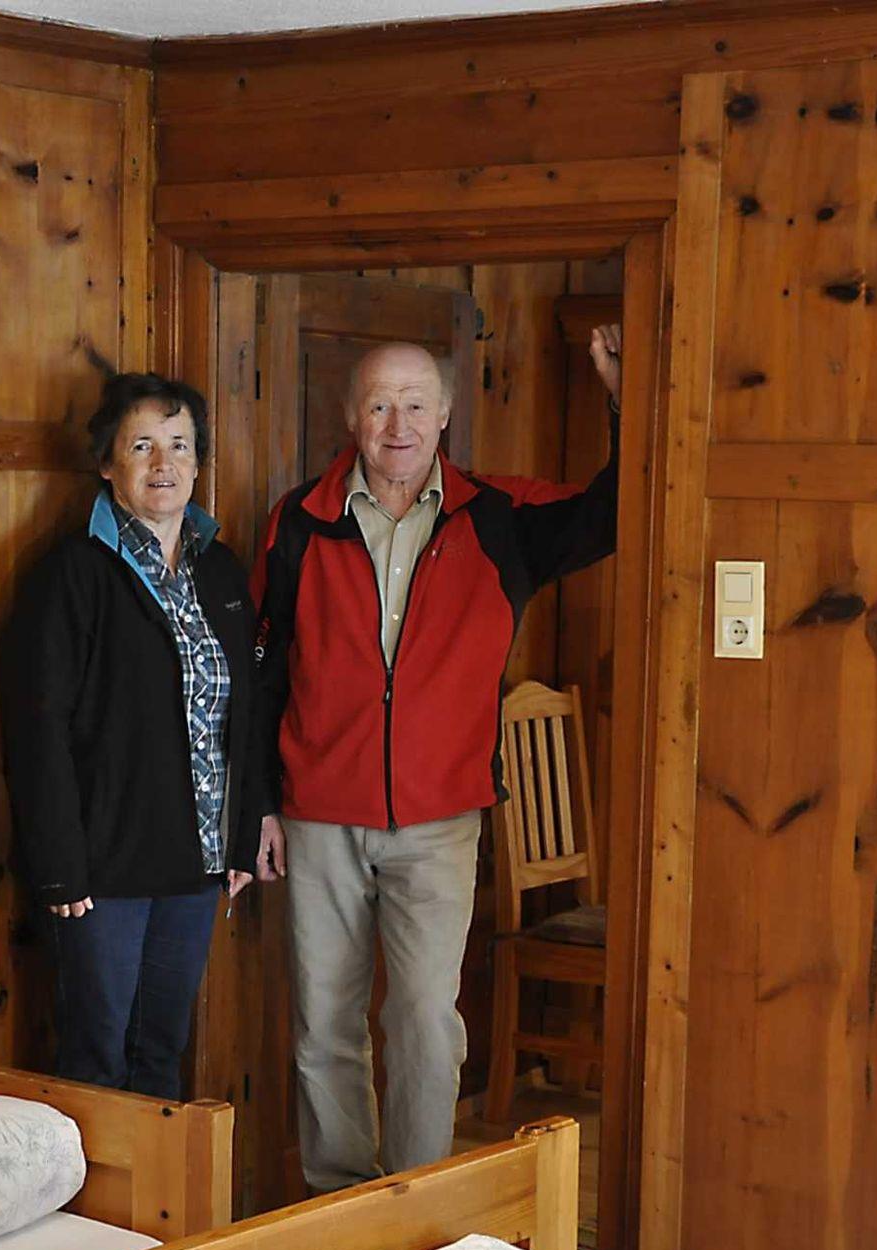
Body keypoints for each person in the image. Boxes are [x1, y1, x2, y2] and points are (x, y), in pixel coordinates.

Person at [251, 327, 624, 1190]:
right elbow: (264, 673)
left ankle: (418, 1209)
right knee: (324, 1023)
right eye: (380, 405)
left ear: (446, 413)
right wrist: (259, 804)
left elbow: (612, 513)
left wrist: (619, 397)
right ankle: (339, 1201)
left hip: (440, 817)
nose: (399, 425)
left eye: (416, 404)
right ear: (351, 415)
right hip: (320, 814)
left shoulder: (499, 517)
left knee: (424, 1019)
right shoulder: (297, 521)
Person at [0, 373, 260, 1099]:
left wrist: (241, 836)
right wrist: (59, 864)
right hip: (103, 870)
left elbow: (246, 710)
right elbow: (37, 729)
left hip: (197, 863)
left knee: (161, 1053)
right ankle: (90, 1184)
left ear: (199, 463)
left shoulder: (220, 570)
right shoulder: (71, 574)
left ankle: (155, 1186)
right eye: (141, 446)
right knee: (97, 1058)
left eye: (179, 445)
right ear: (107, 464)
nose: (163, 463)